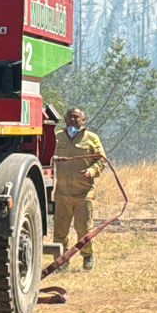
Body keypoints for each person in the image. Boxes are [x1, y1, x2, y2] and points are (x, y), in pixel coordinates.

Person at [53, 105, 107, 270]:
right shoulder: (57, 137)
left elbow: (101, 160)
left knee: (83, 229)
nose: (73, 120)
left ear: (83, 120)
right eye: (69, 117)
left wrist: (92, 171)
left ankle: (87, 256)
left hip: (84, 193)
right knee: (60, 231)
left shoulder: (91, 138)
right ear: (65, 119)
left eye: (76, 117)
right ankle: (61, 262)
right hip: (62, 193)